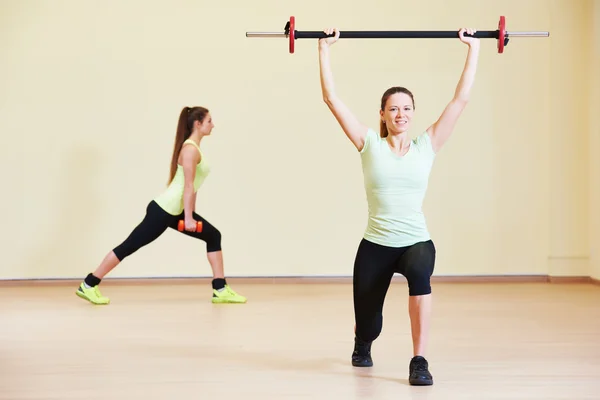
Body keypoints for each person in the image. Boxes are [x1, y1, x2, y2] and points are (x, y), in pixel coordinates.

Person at [317, 27, 480, 385]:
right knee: (369, 322)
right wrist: (324, 48)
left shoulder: (428, 145)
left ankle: (419, 360)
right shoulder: (369, 144)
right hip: (375, 244)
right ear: (383, 113)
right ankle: (363, 340)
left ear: (413, 112)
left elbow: (460, 100)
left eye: (406, 108)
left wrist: (474, 47)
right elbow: (331, 98)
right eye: (394, 108)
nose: (401, 113)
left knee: (421, 276)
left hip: (415, 240)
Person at [75, 106, 247, 305]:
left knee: (213, 235)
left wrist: (190, 213)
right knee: (130, 245)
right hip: (164, 211)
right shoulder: (190, 149)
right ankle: (89, 284)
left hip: (176, 211)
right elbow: (189, 186)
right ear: (198, 124)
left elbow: (193, 186)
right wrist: (189, 218)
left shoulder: (194, 148)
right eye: (209, 121)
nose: (213, 125)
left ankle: (220, 288)